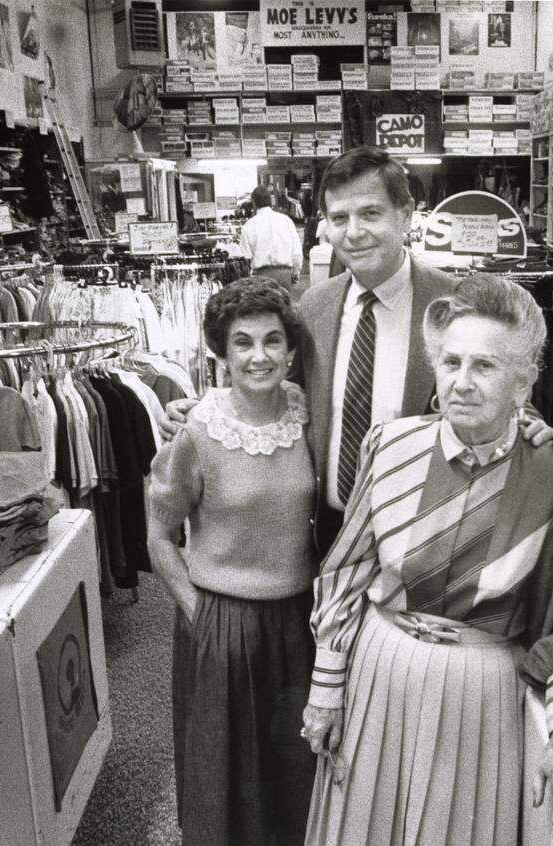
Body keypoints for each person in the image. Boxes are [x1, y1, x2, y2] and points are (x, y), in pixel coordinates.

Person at [300, 274, 553, 844]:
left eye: (485, 367)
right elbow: (347, 572)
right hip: (377, 671)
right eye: (450, 362)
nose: (461, 383)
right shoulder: (389, 446)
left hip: (478, 694)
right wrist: (326, 688)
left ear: (525, 381)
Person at [162, 146, 553, 552]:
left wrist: (525, 419)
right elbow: (279, 392)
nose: (353, 232)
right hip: (328, 528)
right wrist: (208, 408)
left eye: (370, 213)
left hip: (427, 525)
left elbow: (493, 375)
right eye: (339, 218)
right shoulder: (314, 307)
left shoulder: (453, 302)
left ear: (405, 215)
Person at [146, 278, 317, 845]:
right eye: (243, 343)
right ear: (221, 352)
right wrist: (201, 612)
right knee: (224, 778)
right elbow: (158, 536)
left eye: (273, 341)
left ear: (291, 351)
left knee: (292, 773)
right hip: (223, 621)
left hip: (297, 622)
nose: (260, 356)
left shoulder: (304, 414)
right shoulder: (196, 431)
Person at [239, 185, 302, 291]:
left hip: (260, 277)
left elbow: (246, 258)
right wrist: (295, 273)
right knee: (284, 306)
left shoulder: (248, 226)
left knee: (263, 307)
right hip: (284, 275)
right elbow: (296, 253)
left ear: (254, 203)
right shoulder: (286, 220)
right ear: (271, 201)